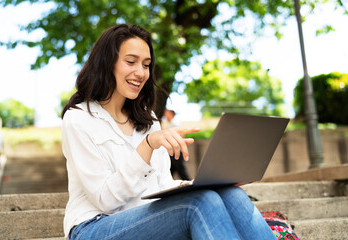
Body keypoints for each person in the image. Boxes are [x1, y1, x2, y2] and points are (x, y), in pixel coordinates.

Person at [61, 24, 276, 240]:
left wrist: (210, 183)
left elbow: (162, 185)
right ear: (107, 63)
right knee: (200, 203)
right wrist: (147, 146)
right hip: (94, 227)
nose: (140, 72)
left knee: (232, 195)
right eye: (131, 62)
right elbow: (105, 200)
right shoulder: (79, 118)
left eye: (146, 65)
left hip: (143, 220)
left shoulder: (148, 119)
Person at [163, 109, 190, 180]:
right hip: (172, 151)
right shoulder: (171, 124)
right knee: (171, 170)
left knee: (181, 171)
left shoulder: (175, 123)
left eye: (167, 113)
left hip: (176, 151)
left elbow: (182, 135)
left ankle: (190, 185)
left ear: (171, 114)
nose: (165, 115)